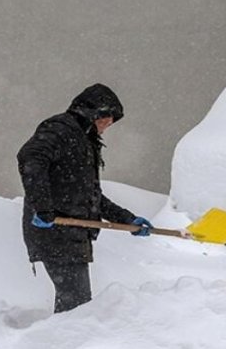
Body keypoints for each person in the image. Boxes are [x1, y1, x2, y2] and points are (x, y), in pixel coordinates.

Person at [17, 83, 153, 313]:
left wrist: (128, 219)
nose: (107, 126)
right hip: (55, 231)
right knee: (76, 303)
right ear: (92, 113)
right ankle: (63, 345)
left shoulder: (83, 141)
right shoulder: (61, 129)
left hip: (72, 235)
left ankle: (62, 342)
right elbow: (30, 157)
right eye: (106, 120)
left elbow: (90, 196)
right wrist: (42, 207)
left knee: (75, 304)